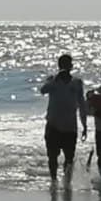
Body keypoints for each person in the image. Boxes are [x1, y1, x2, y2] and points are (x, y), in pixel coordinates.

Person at [40, 54, 88, 182]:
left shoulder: (76, 82)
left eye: (68, 64)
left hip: (70, 126)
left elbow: (82, 104)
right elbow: (43, 90)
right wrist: (55, 79)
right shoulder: (52, 79)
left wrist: (84, 125)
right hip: (53, 124)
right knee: (52, 156)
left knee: (69, 158)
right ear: (60, 66)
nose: (67, 67)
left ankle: (67, 182)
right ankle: (54, 181)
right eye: (64, 64)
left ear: (71, 66)